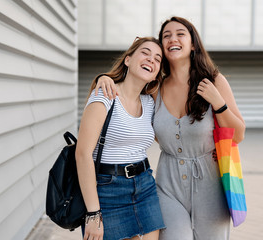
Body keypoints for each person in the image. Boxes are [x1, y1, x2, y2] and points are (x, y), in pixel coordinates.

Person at [96, 16, 245, 240]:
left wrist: (218, 103)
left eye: (180, 34)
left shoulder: (214, 80)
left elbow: (239, 134)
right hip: (168, 186)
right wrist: (103, 78)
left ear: (193, 44)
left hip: (211, 186)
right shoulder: (155, 87)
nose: (172, 39)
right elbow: (128, 85)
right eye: (166, 36)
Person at [75, 37, 165, 240]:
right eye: (145, 52)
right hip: (108, 190)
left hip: (144, 185)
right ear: (127, 60)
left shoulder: (150, 102)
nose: (151, 59)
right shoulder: (104, 96)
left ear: (156, 73)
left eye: (158, 59)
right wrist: (93, 213)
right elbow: (82, 154)